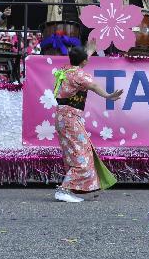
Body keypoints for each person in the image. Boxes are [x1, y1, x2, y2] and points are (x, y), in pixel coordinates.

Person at [52, 45, 124, 202]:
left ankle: (81, 188)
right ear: (84, 61)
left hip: (63, 117)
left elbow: (80, 62)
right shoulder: (79, 75)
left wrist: (88, 52)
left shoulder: (66, 69)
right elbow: (93, 85)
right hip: (70, 118)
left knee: (77, 153)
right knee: (81, 154)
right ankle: (64, 190)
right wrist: (108, 96)